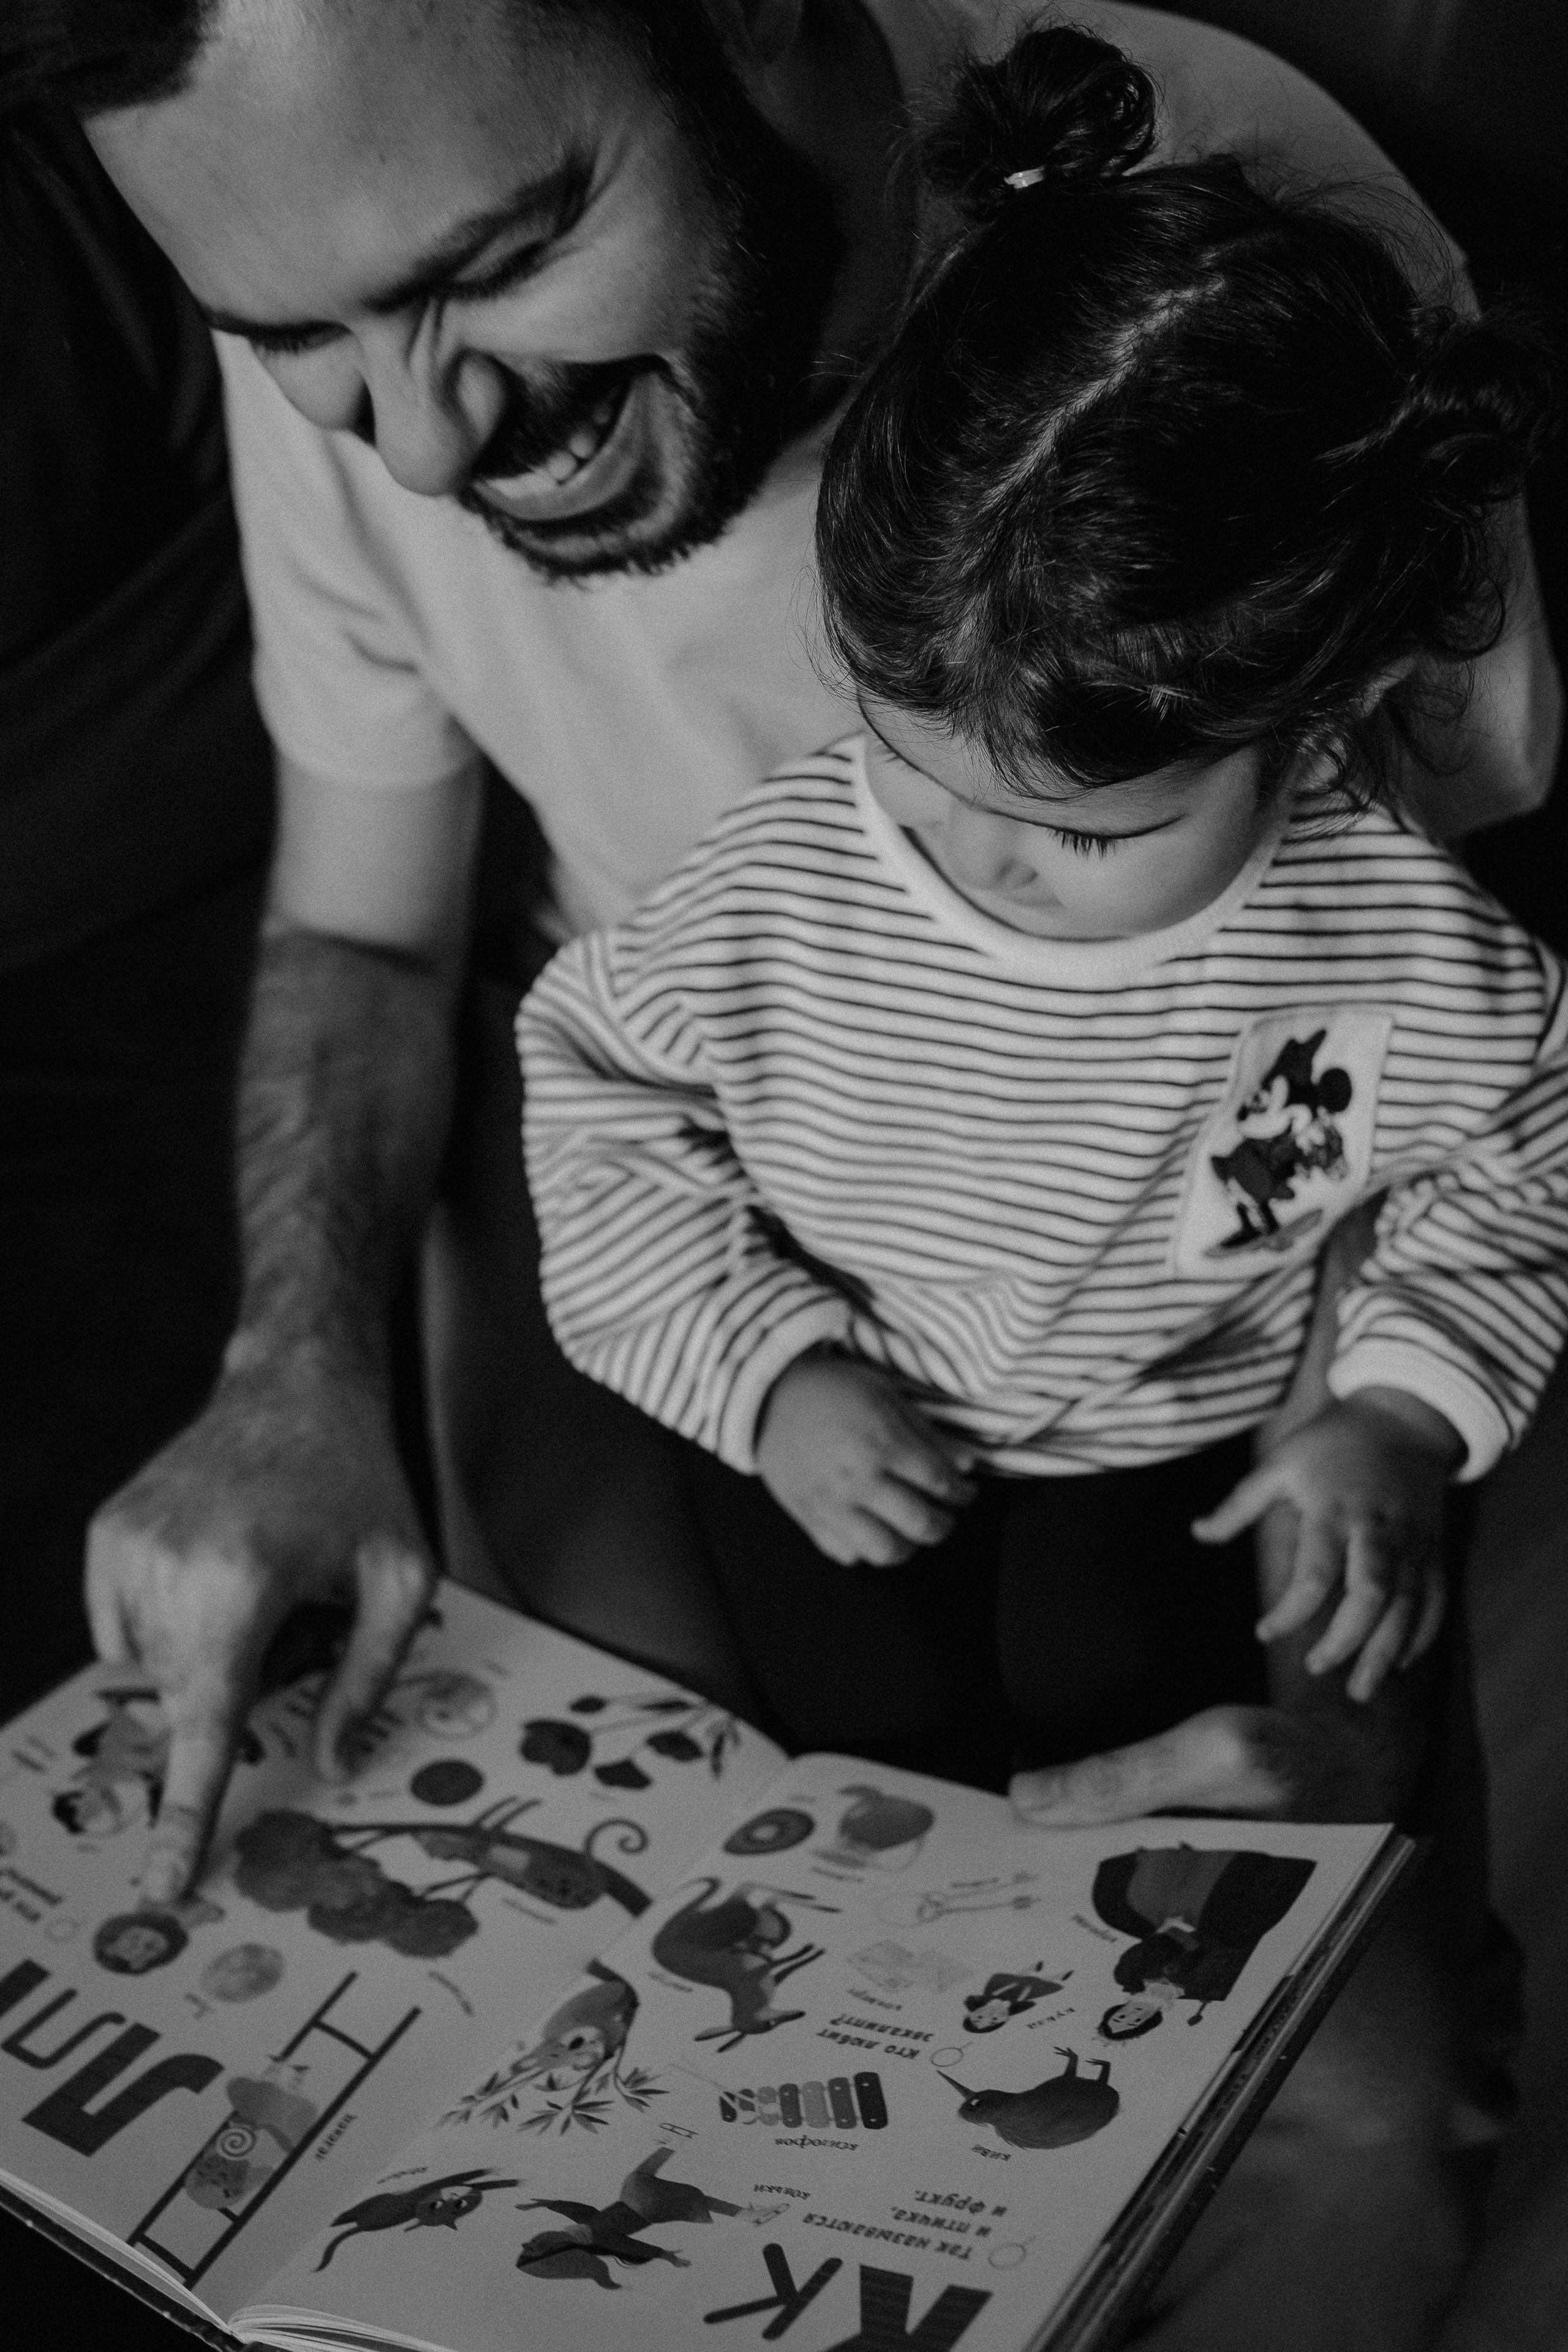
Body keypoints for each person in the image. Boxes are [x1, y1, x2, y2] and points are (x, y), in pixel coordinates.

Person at [3, 0, 1555, 1918]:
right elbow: (380, 936)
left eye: (499, 265)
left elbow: (1433, 1096)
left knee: (1284, 1987)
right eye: (292, 340)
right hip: (735, 1229)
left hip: (1188, 1356)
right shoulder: (761, 896)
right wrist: (296, 1376)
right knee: (683, 1860)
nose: (412, 450)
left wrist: (1372, 1484)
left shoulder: (1248, 279)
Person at [513, 31, 1565, 2343]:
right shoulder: (798, 880)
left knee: (1145, 1813)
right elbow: (590, 1086)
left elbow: (1501, 1166)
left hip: (1156, 1425)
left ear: (1324, 710)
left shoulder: (1387, 938)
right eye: (911, 761)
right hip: (849, 1399)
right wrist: (769, 1367)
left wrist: (1392, 1405)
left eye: (1081, 838)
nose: (970, 862)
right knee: (867, 1787)